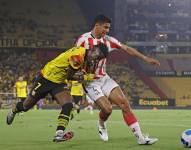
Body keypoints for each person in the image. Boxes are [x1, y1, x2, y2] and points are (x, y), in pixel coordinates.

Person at [75, 14, 160, 144]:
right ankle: (101, 124)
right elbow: (75, 59)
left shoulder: (108, 40)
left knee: (125, 104)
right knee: (107, 109)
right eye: (105, 27)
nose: (107, 31)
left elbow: (126, 48)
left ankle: (141, 138)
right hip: (90, 82)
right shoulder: (83, 40)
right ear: (97, 25)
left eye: (109, 28)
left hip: (104, 78)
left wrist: (145, 58)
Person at [6, 44, 109, 142]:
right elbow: (70, 76)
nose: (97, 59)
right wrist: (86, 77)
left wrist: (85, 74)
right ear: (93, 49)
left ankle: (59, 134)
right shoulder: (78, 56)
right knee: (26, 106)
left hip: (59, 82)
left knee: (68, 105)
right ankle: (14, 110)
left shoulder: (87, 57)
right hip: (46, 78)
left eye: (99, 58)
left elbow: (76, 74)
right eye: (97, 56)